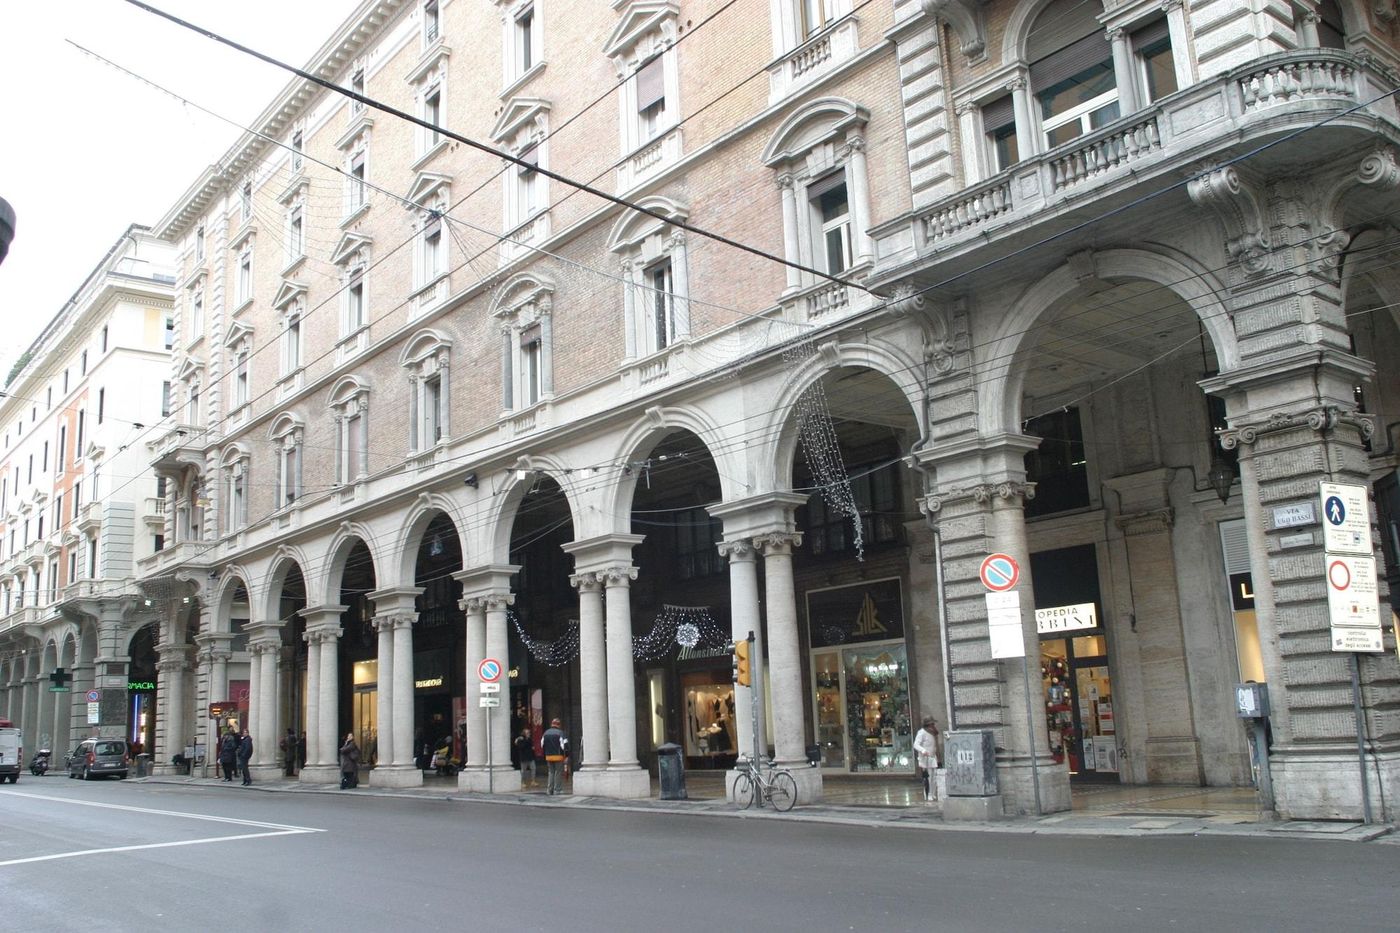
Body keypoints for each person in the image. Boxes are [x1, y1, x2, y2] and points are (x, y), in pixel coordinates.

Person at [913, 717, 940, 802]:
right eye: (932, 724)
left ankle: (933, 793)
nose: (933, 725)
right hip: (925, 758)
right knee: (928, 777)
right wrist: (923, 750)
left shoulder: (933, 733)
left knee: (934, 777)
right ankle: (928, 794)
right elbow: (916, 744)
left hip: (932, 757)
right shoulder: (921, 732)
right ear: (928, 725)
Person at [541, 718, 569, 795]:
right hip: (558, 756)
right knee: (558, 772)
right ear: (558, 725)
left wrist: (546, 753)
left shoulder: (546, 733)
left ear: (552, 724)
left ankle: (549, 790)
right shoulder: (560, 733)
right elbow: (565, 745)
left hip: (548, 756)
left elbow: (542, 744)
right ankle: (557, 789)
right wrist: (566, 755)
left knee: (551, 772)